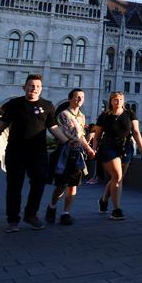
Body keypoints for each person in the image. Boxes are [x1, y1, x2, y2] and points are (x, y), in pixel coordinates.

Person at [0, 74, 63, 232]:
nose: (34, 88)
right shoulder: (14, 104)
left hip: (38, 152)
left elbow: (54, 127)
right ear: (24, 87)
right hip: (15, 151)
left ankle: (31, 214)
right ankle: (13, 219)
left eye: (37, 86)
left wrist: (68, 141)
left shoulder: (48, 105)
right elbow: (2, 124)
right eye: (31, 85)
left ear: (41, 89)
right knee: (14, 186)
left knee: (39, 182)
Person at [44, 89, 94, 226]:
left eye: (82, 97)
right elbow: (67, 133)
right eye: (77, 97)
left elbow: (81, 136)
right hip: (64, 153)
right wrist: (78, 141)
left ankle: (66, 214)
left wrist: (89, 149)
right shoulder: (63, 115)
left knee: (73, 185)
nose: (79, 99)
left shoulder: (82, 116)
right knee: (61, 185)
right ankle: (52, 206)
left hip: (76, 154)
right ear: (70, 99)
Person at [92, 92, 142, 220]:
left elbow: (136, 132)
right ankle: (116, 209)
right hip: (108, 147)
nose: (118, 102)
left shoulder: (130, 114)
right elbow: (97, 136)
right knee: (117, 176)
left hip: (126, 148)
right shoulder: (104, 116)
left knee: (117, 178)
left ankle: (103, 200)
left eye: (121, 99)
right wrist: (93, 150)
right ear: (111, 101)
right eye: (115, 99)